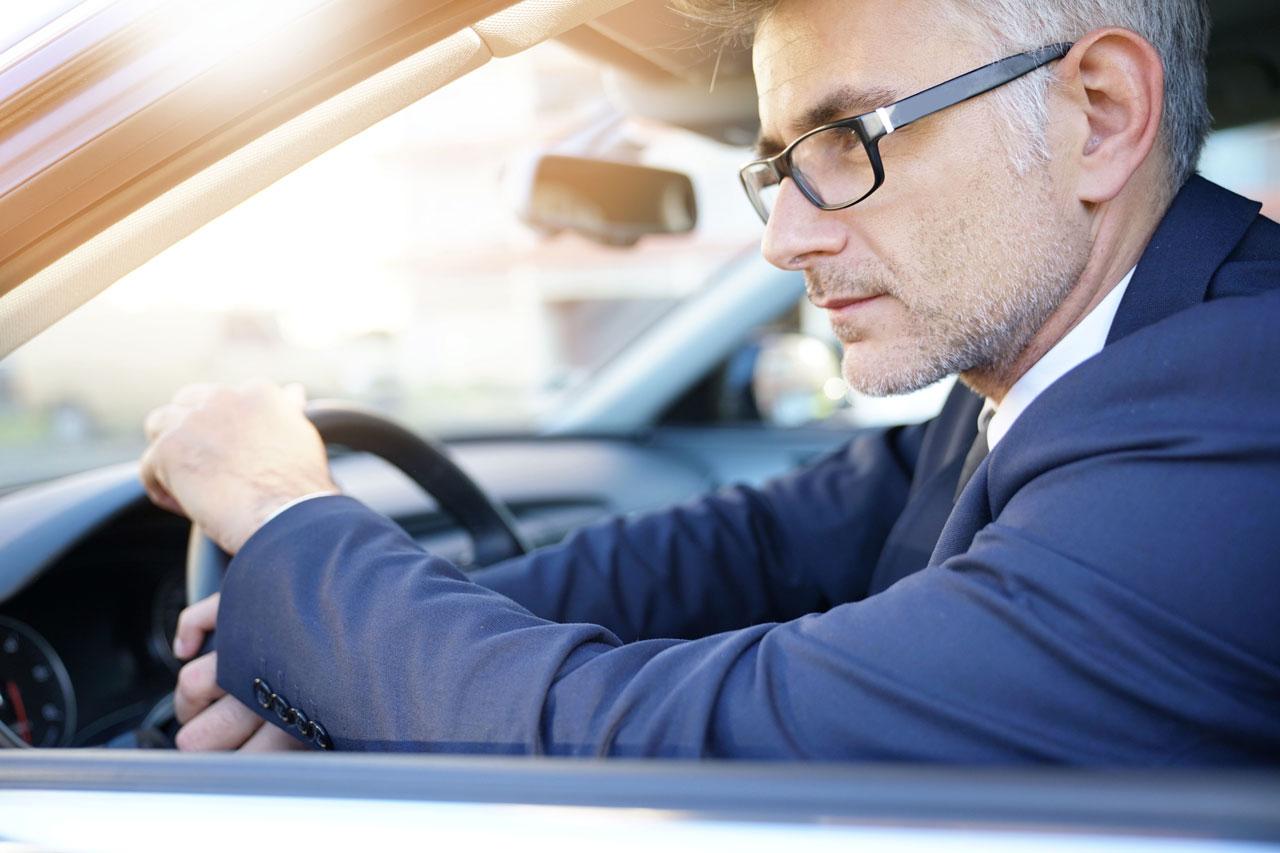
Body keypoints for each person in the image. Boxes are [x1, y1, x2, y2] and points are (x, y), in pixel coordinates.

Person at [142, 0, 1280, 761]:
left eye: (849, 133)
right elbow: (750, 548)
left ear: (1100, 115)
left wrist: (291, 522)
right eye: (778, 163)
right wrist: (332, 650)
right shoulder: (1052, 373)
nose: (783, 238)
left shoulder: (1232, 410)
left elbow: (688, 742)